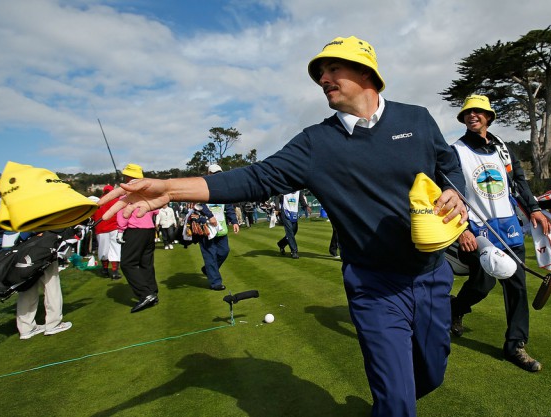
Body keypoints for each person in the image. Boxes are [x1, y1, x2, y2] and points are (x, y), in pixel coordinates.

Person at [99, 35, 467, 417]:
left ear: (366, 72)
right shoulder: (316, 144)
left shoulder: (417, 119)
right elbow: (256, 178)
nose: (323, 78)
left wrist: (455, 194)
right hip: (374, 286)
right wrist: (171, 189)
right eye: (320, 73)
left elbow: (448, 167)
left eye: (333, 68)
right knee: (395, 403)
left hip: (431, 274)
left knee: (432, 375)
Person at [449, 94, 551, 372]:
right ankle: (456, 309)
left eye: (479, 112)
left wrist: (534, 209)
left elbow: (519, 181)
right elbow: (449, 194)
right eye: (468, 112)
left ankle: (515, 345)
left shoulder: (503, 149)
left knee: (516, 287)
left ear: (489, 117)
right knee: (483, 283)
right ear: (463, 118)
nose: (473, 116)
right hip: (476, 230)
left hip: (508, 228)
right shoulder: (455, 151)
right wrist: (461, 230)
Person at [116, 164, 160, 313]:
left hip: (135, 230)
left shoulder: (127, 192)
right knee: (145, 262)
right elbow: (156, 210)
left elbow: (123, 213)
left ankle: (145, 294)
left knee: (128, 263)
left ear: (128, 177)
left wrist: (120, 230)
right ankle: (152, 292)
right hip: (149, 230)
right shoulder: (147, 192)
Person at [15, 231, 73, 340]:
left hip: (25, 244)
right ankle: (53, 324)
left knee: (28, 286)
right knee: (51, 284)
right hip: (42, 243)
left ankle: (26, 328)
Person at [197, 164, 240, 291]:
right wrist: (209, 215)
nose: (217, 176)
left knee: (224, 251)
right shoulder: (201, 188)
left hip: (220, 227)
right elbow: (198, 204)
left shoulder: (224, 189)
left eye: (219, 173)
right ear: (208, 174)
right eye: (214, 174)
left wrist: (234, 221)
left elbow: (228, 207)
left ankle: (208, 270)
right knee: (210, 254)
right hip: (206, 227)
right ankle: (215, 282)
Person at [92, 185, 121, 279]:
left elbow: (93, 217)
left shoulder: (98, 202)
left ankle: (104, 270)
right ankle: (114, 271)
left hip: (101, 229)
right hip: (114, 227)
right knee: (115, 249)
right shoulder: (117, 201)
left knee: (103, 250)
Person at [276, 190, 309, 259]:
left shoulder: (298, 192)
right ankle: (294, 251)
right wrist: (277, 209)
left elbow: (301, 200)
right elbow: (277, 197)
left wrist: (306, 206)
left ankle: (281, 244)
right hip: (285, 212)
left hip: (294, 213)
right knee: (289, 231)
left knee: (294, 230)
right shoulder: (284, 189)